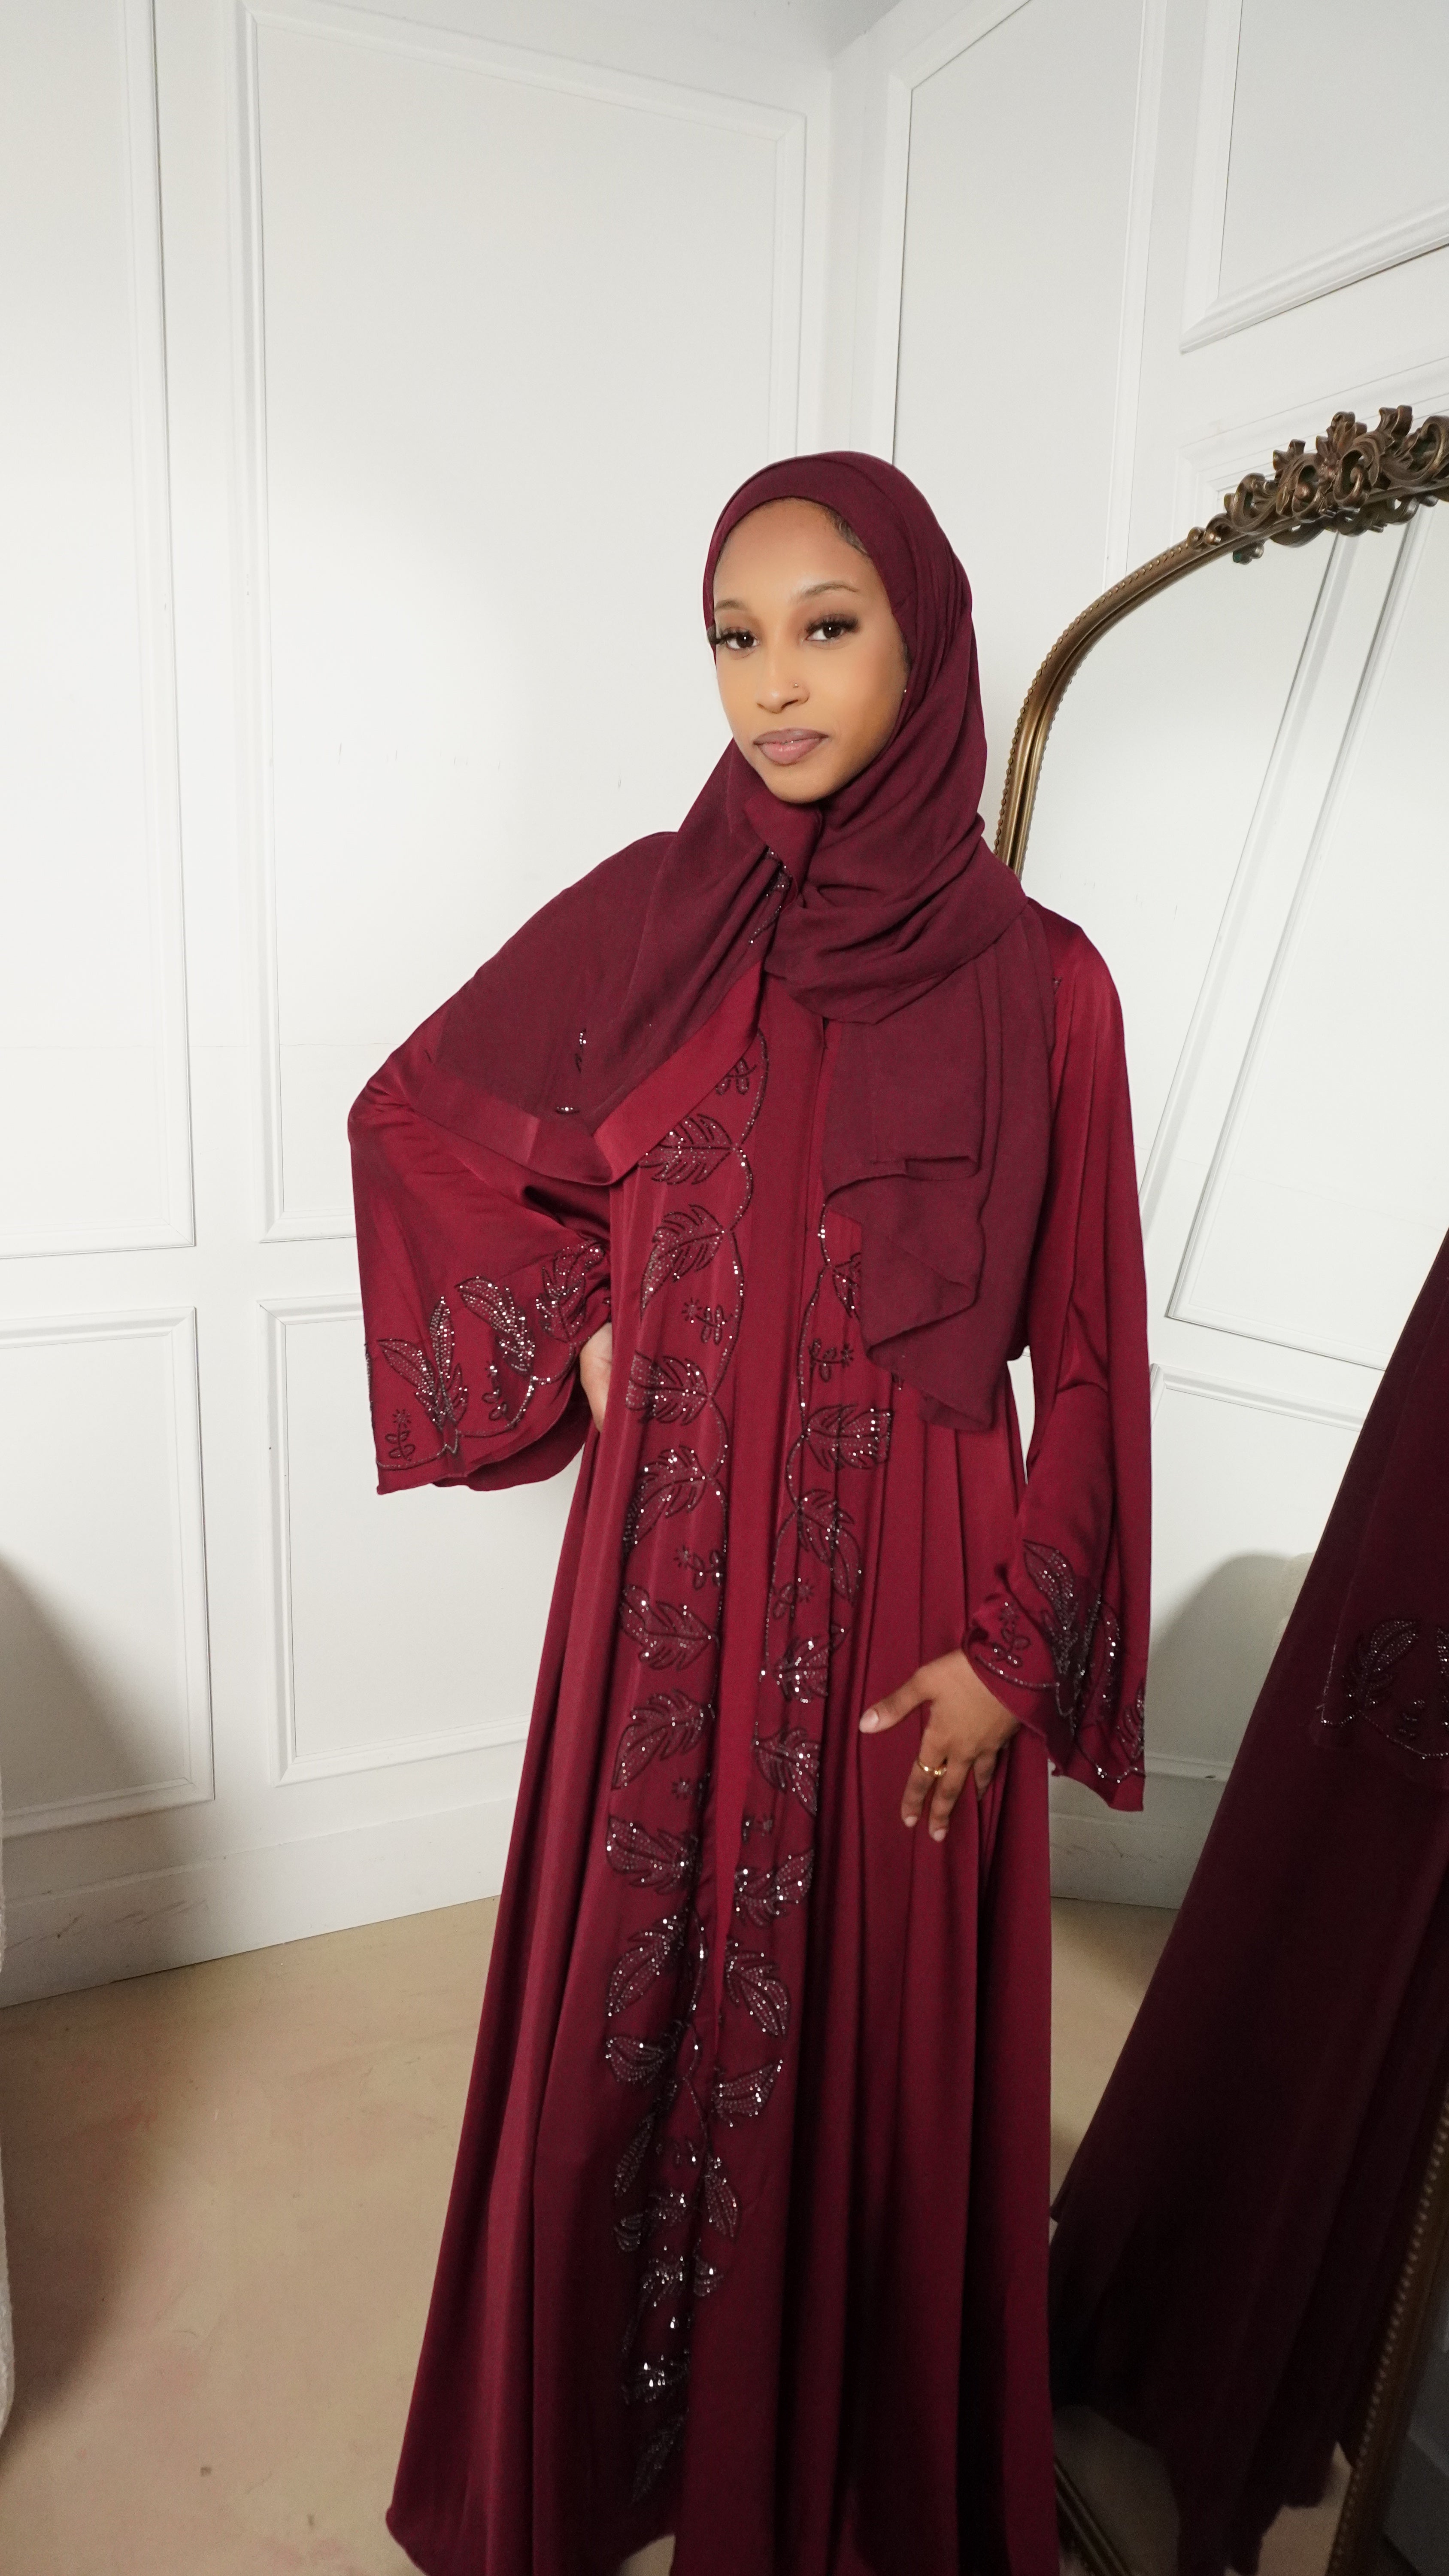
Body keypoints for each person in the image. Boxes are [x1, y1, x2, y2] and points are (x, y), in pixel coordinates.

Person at [349, 452, 1151, 2576]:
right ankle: (604, 2455)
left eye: (826, 627)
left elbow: (1085, 1352)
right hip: (669, 1580)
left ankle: (831, 2481)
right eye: (733, 636)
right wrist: (590, 1329)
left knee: (864, 2072)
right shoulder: (661, 914)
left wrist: (1014, 1654)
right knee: (620, 2043)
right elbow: (416, 1117)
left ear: (924, 643)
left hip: (916, 1599)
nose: (772, 682)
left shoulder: (1046, 984)